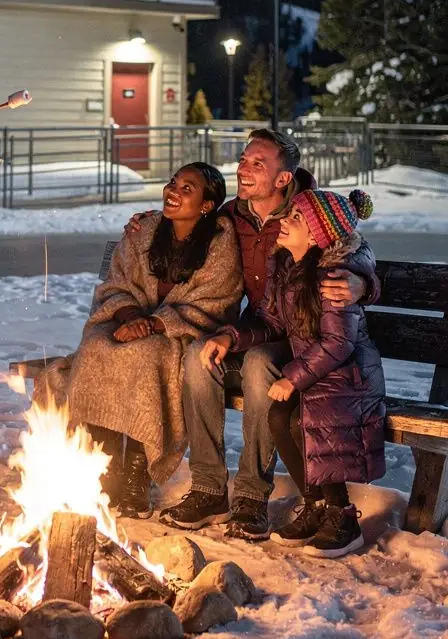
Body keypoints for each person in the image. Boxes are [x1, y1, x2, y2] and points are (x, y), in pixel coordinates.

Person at [146, 128, 379, 540]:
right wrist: (146, 224)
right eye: (243, 160)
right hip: (262, 324)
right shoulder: (232, 215)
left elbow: (355, 251)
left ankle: (251, 497)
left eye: (257, 163)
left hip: (303, 337)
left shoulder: (309, 213)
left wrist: (363, 283)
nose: (243, 169)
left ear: (283, 177)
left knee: (258, 364)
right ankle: (209, 489)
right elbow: (186, 222)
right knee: (199, 354)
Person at [38, 163, 243, 516]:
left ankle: (137, 471)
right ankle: (103, 464)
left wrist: (154, 324)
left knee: (145, 356)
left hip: (183, 334)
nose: (173, 191)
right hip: (128, 321)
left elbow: (216, 303)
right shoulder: (143, 231)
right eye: (173, 183)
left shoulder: (220, 244)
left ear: (207, 205)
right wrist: (132, 317)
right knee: (96, 347)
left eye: (187, 189)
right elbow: (114, 283)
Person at [199, 188, 386, 558]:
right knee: (278, 417)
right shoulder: (287, 267)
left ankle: (343, 515)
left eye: (296, 218)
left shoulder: (333, 278)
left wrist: (292, 378)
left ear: (317, 235)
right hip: (319, 372)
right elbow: (271, 321)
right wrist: (231, 337)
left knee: (305, 420)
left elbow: (338, 343)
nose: (285, 221)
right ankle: (316, 505)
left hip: (349, 378)